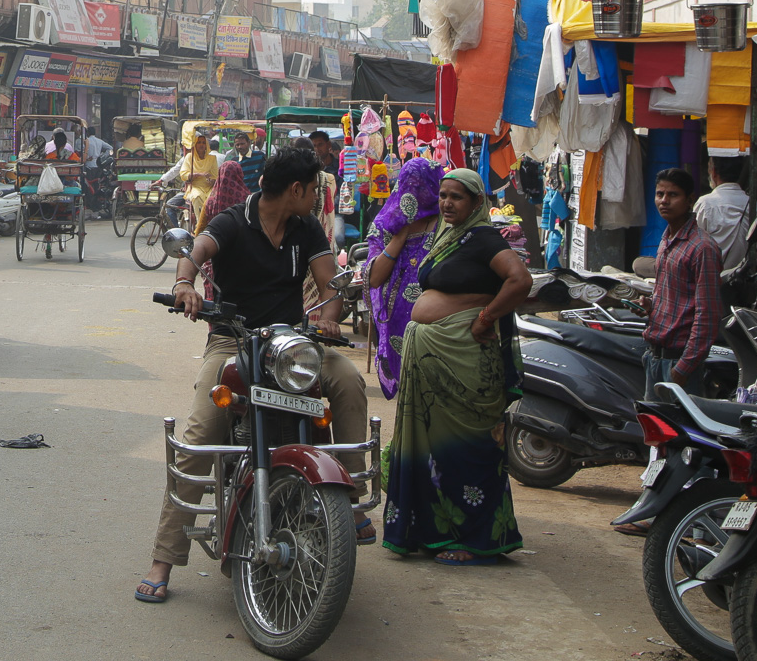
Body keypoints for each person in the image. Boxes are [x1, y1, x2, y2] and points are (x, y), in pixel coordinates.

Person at [136, 146, 372, 604]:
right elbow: (197, 250)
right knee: (202, 431)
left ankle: (353, 493)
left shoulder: (306, 229)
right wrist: (184, 283)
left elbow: (328, 285)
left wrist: (329, 315)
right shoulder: (231, 220)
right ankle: (164, 557)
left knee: (346, 381)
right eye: (315, 188)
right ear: (297, 189)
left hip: (290, 342)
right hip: (233, 339)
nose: (318, 197)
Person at [380, 169, 533, 565]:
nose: (447, 203)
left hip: (465, 360)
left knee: (469, 449)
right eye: (444, 195)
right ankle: (430, 531)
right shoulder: (448, 237)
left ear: (476, 203)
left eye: (457, 197)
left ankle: (475, 539)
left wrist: (485, 319)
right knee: (435, 452)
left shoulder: (483, 238)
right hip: (433, 362)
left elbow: (519, 280)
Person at [365, 158, 444, 400]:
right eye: (409, 186)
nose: (415, 193)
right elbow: (374, 278)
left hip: (436, 327)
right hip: (397, 328)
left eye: (422, 186)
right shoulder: (387, 224)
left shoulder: (445, 225)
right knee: (408, 397)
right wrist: (401, 235)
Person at [642, 168, 722, 396]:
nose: (664, 201)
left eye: (673, 195)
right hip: (656, 357)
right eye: (660, 194)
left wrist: (684, 367)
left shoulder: (702, 248)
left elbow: (707, 314)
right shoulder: (667, 238)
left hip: (678, 361)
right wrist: (650, 306)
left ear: (689, 200)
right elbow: (674, 295)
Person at [692, 155, 753, 272]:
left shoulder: (705, 203)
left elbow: (694, 245)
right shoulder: (752, 204)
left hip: (710, 277)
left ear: (713, 172)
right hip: (741, 278)